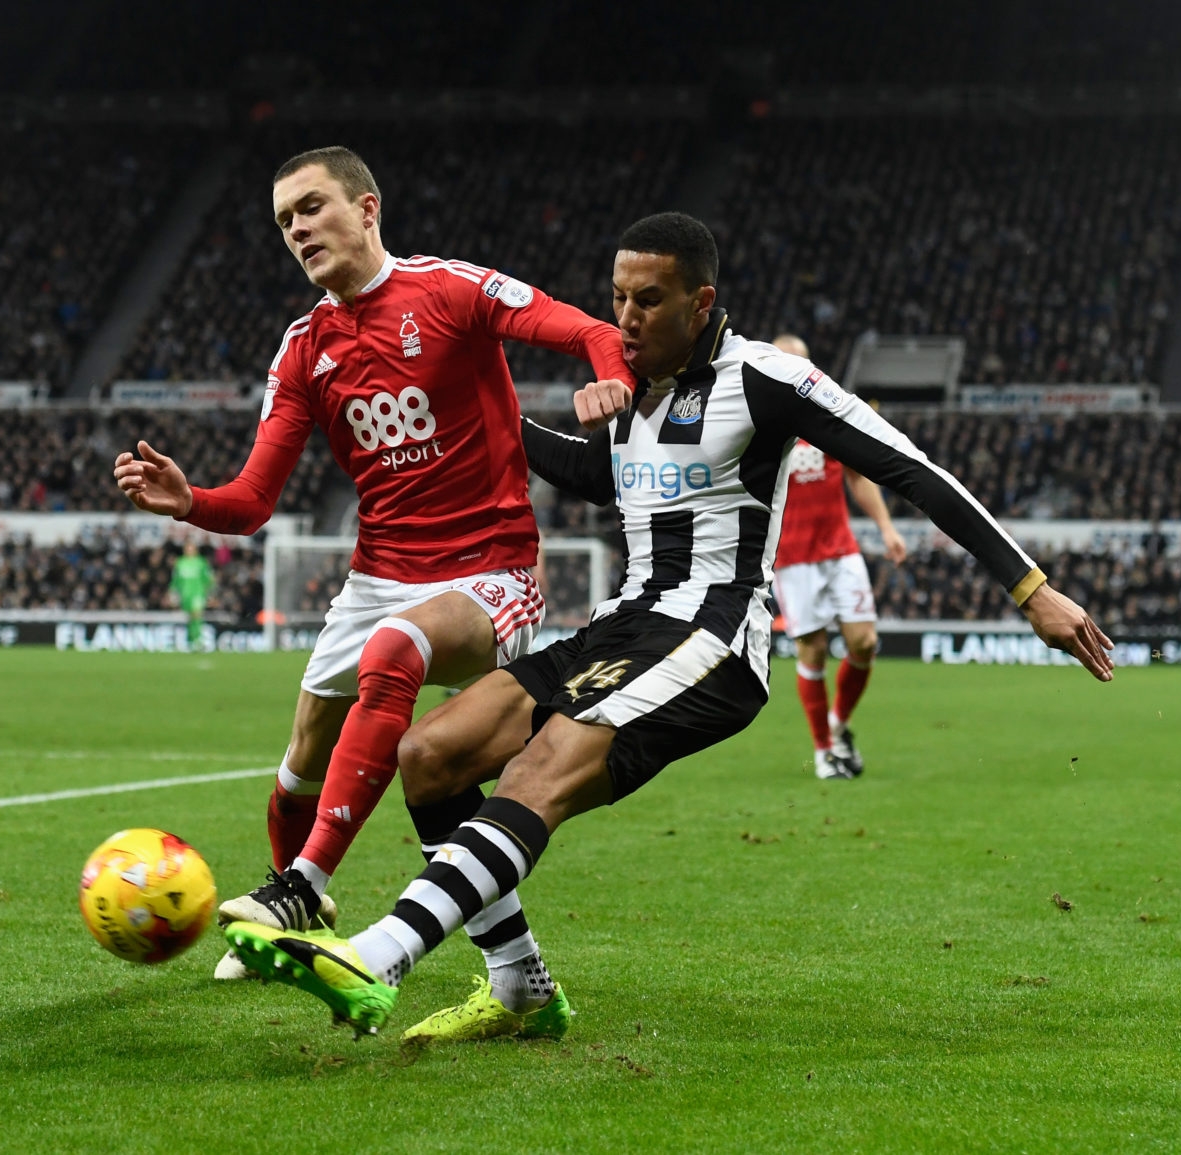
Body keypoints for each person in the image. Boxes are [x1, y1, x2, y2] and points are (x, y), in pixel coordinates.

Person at [224, 212, 1113, 1038]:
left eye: (648, 300)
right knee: (431, 753)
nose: (626, 317)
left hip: (712, 637)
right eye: (617, 298)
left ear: (701, 301)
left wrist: (1029, 587)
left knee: (539, 767)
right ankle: (519, 984)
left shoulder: (763, 378)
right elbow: (593, 476)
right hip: (622, 626)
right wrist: (480, 410)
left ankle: (378, 953)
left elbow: (909, 467)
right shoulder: (629, 394)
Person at [114, 146, 633, 989]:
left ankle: (301, 883)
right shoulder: (303, 349)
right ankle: (299, 909)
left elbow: (592, 331)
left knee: (395, 648)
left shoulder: (450, 289)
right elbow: (251, 502)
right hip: (379, 575)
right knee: (299, 763)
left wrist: (610, 381)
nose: (297, 229)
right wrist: (190, 501)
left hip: (489, 574)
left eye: (311, 207)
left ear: (366, 209)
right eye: (284, 220)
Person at [768, 332, 906, 779]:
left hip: (840, 548)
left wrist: (886, 528)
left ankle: (838, 723)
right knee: (813, 651)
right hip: (792, 556)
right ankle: (824, 752)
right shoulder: (760, 421)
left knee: (863, 642)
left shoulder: (827, 416)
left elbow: (857, 476)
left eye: (800, 362)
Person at [171, 538, 215, 649]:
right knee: (191, 617)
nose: (189, 550)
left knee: (197, 614)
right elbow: (175, 579)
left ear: (195, 549)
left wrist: (210, 594)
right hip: (185, 594)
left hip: (198, 593)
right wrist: (172, 592)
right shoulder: (180, 562)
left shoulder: (201, 562)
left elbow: (208, 579)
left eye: (191, 548)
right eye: (187, 548)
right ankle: (191, 640)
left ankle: (197, 640)